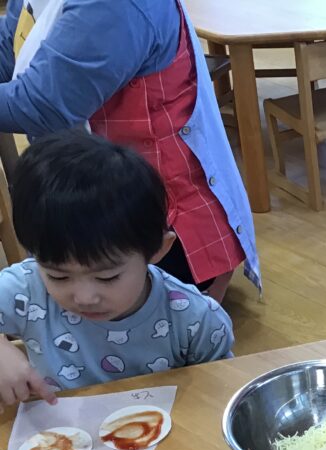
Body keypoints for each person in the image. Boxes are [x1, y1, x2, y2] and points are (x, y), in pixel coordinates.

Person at [0, 0, 261, 300]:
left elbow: (42, 104)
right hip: (95, 199)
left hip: (157, 223)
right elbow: (10, 50)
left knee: (103, 310)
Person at [0, 131, 234, 408]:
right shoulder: (26, 290)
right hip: (59, 443)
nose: (85, 297)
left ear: (157, 249)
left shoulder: (194, 320)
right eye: (58, 275)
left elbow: (221, 399)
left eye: (107, 277)